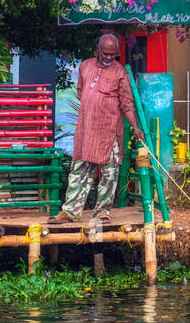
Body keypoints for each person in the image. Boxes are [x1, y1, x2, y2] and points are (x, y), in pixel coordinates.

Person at [55, 33, 146, 223]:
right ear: (97, 50)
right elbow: (81, 92)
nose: (108, 58)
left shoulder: (120, 73)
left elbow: (127, 104)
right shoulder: (85, 66)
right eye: (105, 53)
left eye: (113, 55)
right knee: (78, 169)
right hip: (86, 130)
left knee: (109, 173)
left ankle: (103, 211)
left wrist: (136, 127)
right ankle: (70, 211)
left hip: (109, 131)